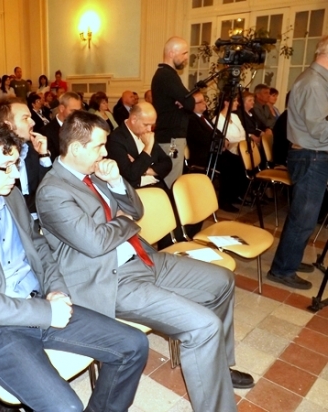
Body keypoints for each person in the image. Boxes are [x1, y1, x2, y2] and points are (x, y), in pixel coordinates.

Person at [0, 119, 148, 412]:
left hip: (41, 302)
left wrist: (56, 289)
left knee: (134, 345)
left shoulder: (11, 196)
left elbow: (39, 247)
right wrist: (46, 312)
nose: (16, 174)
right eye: (6, 167)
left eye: (16, 164)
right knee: (66, 408)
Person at [36, 109, 254, 412]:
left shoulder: (95, 173)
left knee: (221, 281)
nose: (105, 153)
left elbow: (136, 210)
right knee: (203, 327)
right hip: (112, 280)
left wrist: (115, 181)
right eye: (99, 146)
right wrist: (124, 222)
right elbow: (96, 243)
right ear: (75, 148)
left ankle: (217, 366)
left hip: (143, 257)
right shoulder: (52, 192)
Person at [267, 35, 328, 290]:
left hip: (312, 154)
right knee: (304, 217)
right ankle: (282, 269)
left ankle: (288, 259)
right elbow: (320, 130)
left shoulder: (317, 81)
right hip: (311, 155)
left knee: (303, 216)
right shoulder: (314, 83)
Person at [0, 97, 52, 221]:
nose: (33, 122)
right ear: (7, 125)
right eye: (25, 118)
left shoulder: (32, 150)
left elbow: (48, 190)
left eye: (30, 117)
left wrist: (43, 155)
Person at [151, 36, 196, 188]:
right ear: (171, 53)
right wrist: (185, 102)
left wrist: (184, 101)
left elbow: (186, 101)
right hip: (171, 138)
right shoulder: (166, 75)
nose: (186, 57)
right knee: (172, 181)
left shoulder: (168, 74)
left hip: (171, 136)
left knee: (172, 178)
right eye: (184, 53)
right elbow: (190, 103)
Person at [106, 102, 171, 189]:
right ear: (134, 119)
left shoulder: (146, 134)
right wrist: (148, 147)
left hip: (157, 185)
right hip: (136, 190)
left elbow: (167, 163)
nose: (149, 129)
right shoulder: (116, 139)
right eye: (146, 125)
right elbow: (131, 174)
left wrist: (145, 170)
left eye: (152, 125)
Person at [215, 94, 248, 212]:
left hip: (238, 149)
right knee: (231, 165)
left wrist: (240, 142)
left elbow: (243, 133)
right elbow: (227, 139)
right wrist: (239, 141)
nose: (237, 103)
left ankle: (236, 195)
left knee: (245, 163)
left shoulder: (235, 116)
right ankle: (225, 201)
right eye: (235, 101)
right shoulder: (218, 119)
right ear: (226, 102)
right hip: (225, 152)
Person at [42, 91, 82, 160]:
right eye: (73, 111)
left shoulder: (82, 127)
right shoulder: (46, 132)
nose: (77, 115)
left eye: (79, 111)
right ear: (61, 109)